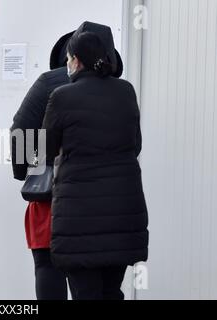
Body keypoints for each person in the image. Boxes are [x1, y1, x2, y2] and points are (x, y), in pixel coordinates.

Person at [11, 21, 124, 301]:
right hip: (110, 202)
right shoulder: (121, 91)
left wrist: (28, 169)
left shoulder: (50, 83)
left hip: (56, 198)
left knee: (49, 264)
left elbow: (20, 133)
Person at [42, 30, 149, 300]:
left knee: (85, 293)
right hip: (122, 215)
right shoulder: (126, 92)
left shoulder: (61, 96)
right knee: (111, 292)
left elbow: (46, 150)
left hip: (79, 220)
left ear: (76, 61)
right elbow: (135, 146)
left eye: (68, 58)